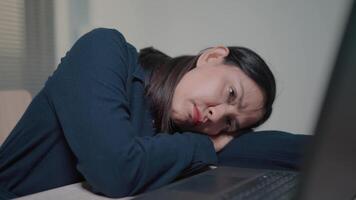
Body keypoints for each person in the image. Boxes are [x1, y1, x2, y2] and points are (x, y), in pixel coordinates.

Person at [0, 28, 309, 199]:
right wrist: (207, 145)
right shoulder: (103, 49)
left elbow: (269, 150)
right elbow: (115, 170)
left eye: (231, 123)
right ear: (213, 56)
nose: (217, 116)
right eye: (231, 94)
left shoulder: (179, 130)